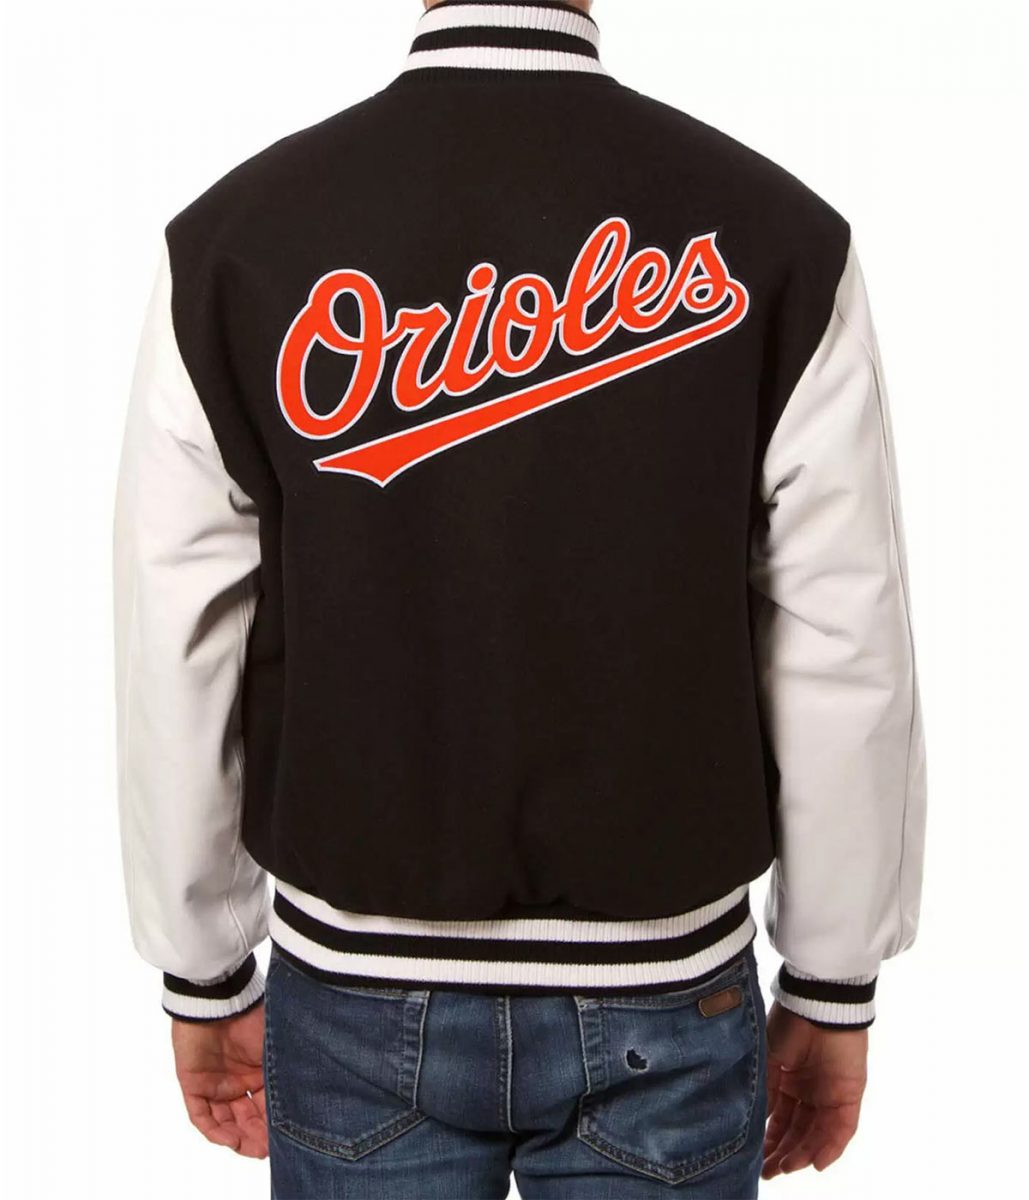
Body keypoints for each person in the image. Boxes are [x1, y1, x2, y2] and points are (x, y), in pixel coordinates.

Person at [112, 1, 927, 1196]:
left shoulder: (235, 243)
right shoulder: (779, 236)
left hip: (357, 989)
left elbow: (175, 639)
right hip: (664, 988)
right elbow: (843, 635)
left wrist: (202, 968)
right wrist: (833, 978)